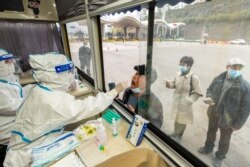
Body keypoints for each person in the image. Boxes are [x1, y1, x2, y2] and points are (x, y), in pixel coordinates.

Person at [4, 52, 127, 167]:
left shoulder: (41, 89)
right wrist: (114, 92)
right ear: (53, 75)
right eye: (66, 72)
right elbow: (87, 107)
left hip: (27, 146)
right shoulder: (52, 101)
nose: (70, 76)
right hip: (24, 158)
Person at [198, 58, 250, 167]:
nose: (236, 70)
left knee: (225, 139)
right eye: (233, 67)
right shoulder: (218, 79)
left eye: (238, 68)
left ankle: (220, 157)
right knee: (211, 131)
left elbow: (245, 108)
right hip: (214, 112)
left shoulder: (245, 86)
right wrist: (210, 97)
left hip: (228, 118)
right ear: (227, 67)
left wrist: (238, 124)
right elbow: (210, 89)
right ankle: (208, 147)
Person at [165, 56, 202, 142]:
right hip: (176, 101)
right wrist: (168, 84)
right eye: (180, 64)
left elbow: (198, 92)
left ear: (189, 66)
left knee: (182, 121)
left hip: (185, 103)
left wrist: (189, 100)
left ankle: (179, 136)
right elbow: (174, 85)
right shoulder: (177, 74)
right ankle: (174, 132)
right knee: (176, 118)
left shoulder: (194, 77)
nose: (181, 66)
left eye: (183, 64)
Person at [0, 49, 26, 166]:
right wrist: (33, 98)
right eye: (6, 62)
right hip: (5, 138)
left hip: (14, 130)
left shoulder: (7, 78)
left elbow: (18, 93)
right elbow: (9, 106)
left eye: (11, 60)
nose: (11, 63)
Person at [122, 64, 163, 129]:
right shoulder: (128, 91)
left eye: (139, 76)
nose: (134, 77)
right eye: (136, 73)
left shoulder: (155, 104)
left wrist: (135, 117)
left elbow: (154, 130)